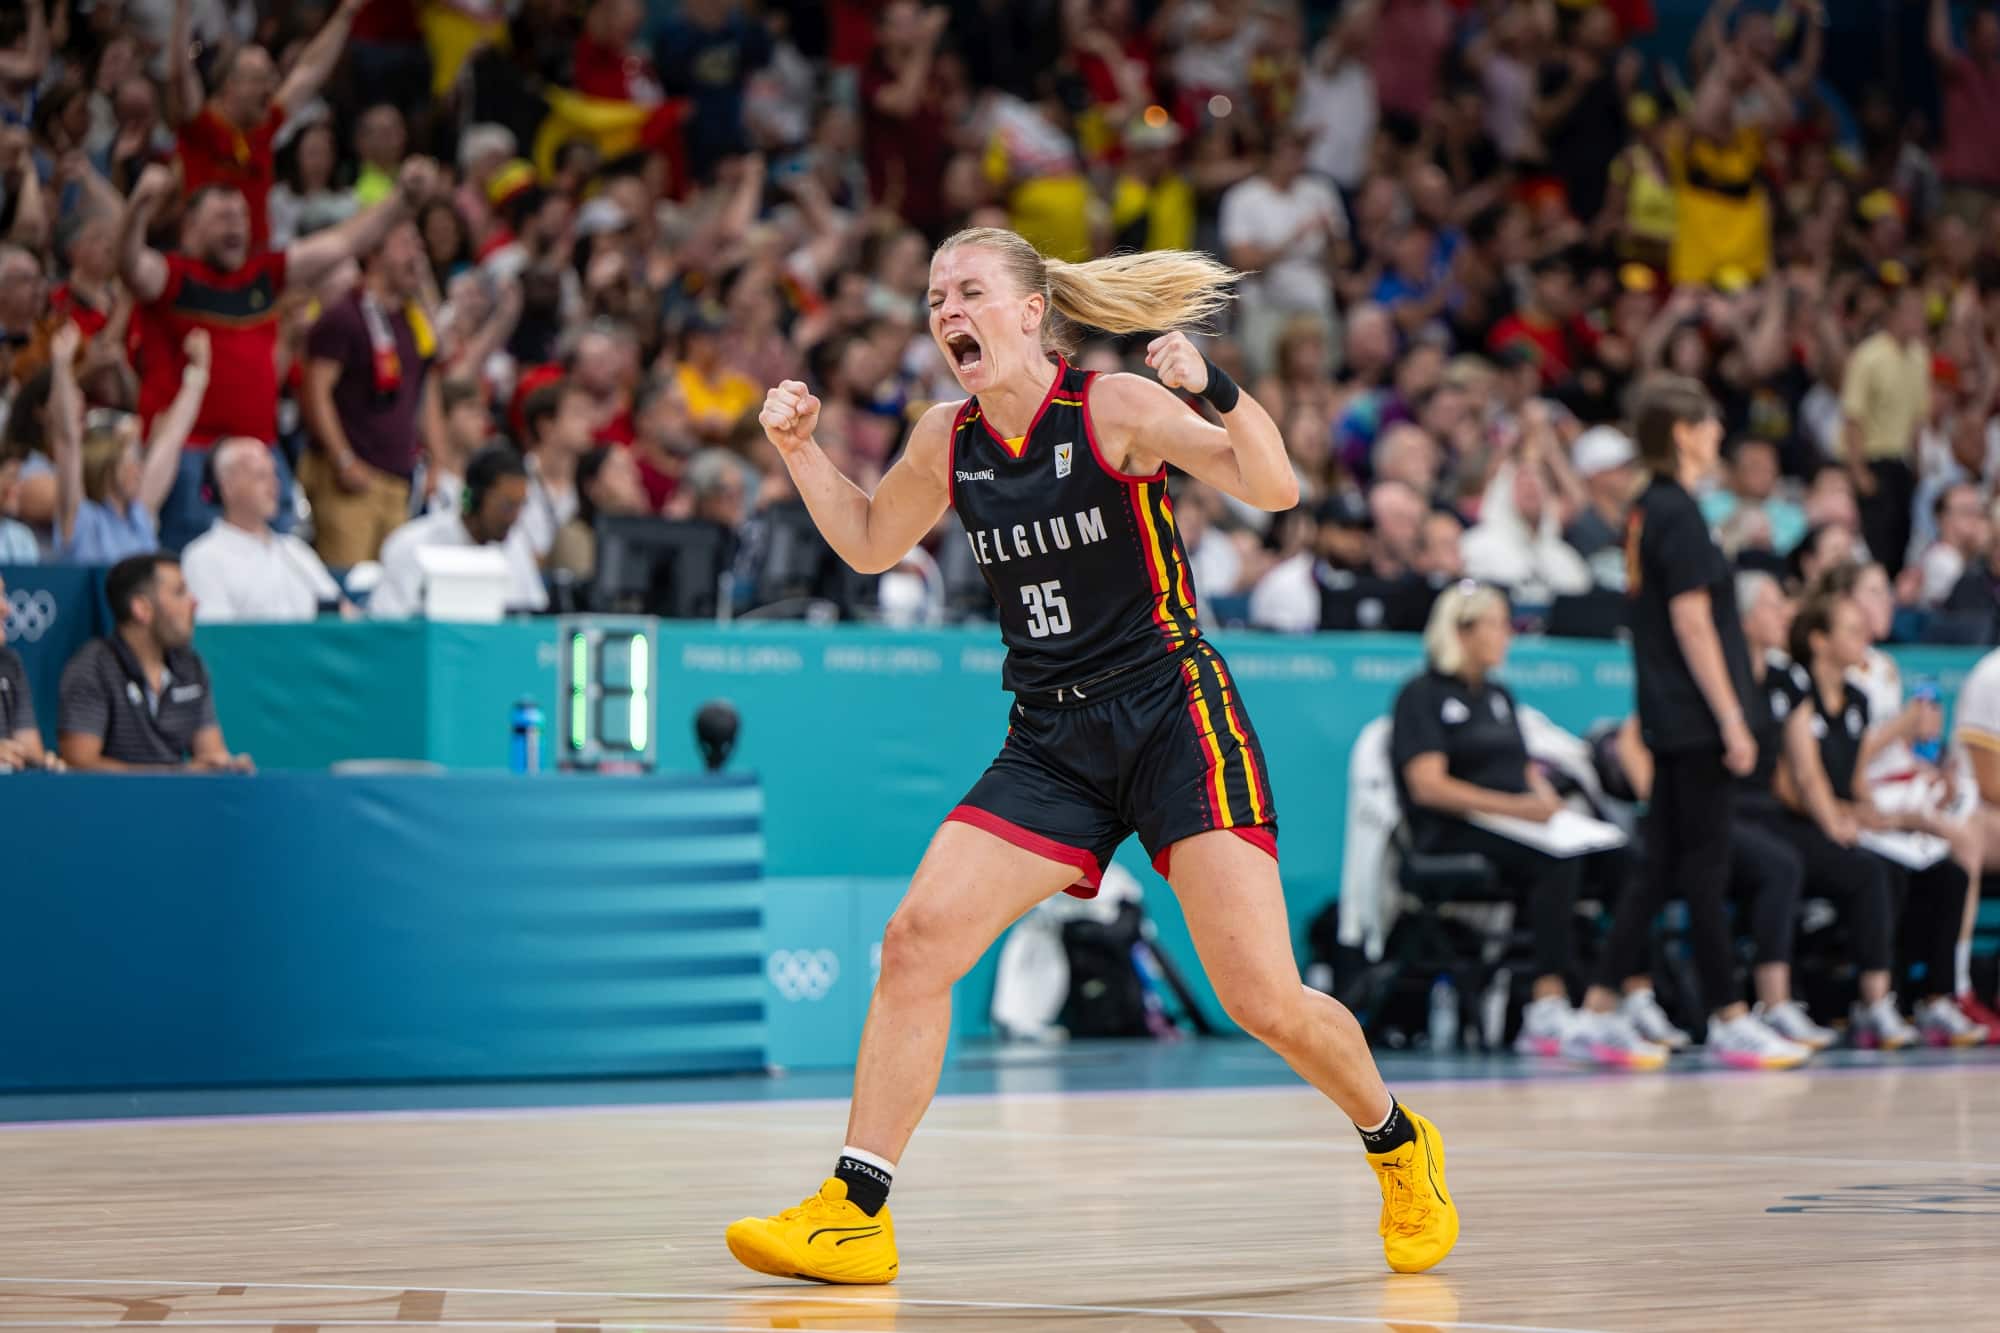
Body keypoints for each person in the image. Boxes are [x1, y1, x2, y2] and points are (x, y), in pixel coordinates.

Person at [726, 228, 1457, 1283]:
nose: (946, 312)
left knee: (1260, 997)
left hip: (1171, 714)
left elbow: (1274, 483)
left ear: (1029, 312)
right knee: (918, 937)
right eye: (935, 297)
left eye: (968, 291)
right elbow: (873, 541)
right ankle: (853, 1208)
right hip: (1052, 738)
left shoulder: (1108, 406)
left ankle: (1395, 1141)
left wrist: (1211, 384)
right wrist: (800, 452)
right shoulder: (949, 436)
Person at [1569, 375, 1812, 1069]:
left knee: (1660, 867)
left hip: (1670, 713)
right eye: (1708, 424)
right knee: (1704, 869)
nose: (1717, 437)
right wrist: (1733, 716)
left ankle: (1595, 1009)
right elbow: (1691, 619)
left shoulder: (1652, 508)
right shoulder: (1674, 509)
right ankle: (1731, 1014)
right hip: (1695, 720)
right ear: (1682, 431)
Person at [1391, 581, 1639, 1065]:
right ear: (1462, 631)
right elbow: (1428, 786)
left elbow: (1524, 768)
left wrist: (1546, 802)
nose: (1508, 635)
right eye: (1499, 624)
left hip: (1517, 824)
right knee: (1555, 861)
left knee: (1623, 860)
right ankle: (1545, 1006)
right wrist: (1514, 810)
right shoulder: (1421, 696)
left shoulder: (1499, 695)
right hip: (1450, 830)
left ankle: (1621, 995)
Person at [1784, 588, 1985, 1046]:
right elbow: (1801, 785)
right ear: (1819, 641)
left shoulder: (1855, 697)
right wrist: (1847, 816)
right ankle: (1872, 1001)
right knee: (1878, 874)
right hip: (1805, 821)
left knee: (1947, 872)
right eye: (1852, 630)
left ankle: (1934, 999)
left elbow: (1854, 780)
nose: (1866, 638)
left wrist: (1885, 816)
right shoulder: (1798, 695)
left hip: (1849, 814)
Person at [298, 220, 442, 568]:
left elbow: (425, 395)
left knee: (393, 596)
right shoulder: (343, 316)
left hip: (400, 483)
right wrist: (343, 459)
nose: (417, 257)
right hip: (350, 484)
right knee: (351, 592)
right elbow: (315, 390)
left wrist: (438, 460)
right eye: (407, 244)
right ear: (374, 254)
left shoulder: (413, 321)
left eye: (420, 247)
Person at [57, 551, 253, 772]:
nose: (194, 602)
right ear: (142, 609)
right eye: (180, 593)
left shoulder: (190, 665)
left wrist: (227, 767)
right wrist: (177, 774)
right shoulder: (92, 666)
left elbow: (211, 755)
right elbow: (79, 766)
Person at [50, 325, 209, 563]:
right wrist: (61, 366)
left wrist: (198, 371)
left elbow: (173, 437)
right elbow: (66, 441)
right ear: (105, 464)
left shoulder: (140, 516)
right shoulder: (81, 520)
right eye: (128, 463)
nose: (138, 469)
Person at [369, 444, 544, 620]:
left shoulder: (517, 545)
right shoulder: (412, 545)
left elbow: (536, 619)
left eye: (521, 505)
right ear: (475, 497)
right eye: (507, 506)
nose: (514, 518)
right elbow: (386, 627)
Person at [180, 439, 345, 623]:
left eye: (274, 474)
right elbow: (215, 640)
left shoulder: (295, 550)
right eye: (260, 475)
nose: (273, 485)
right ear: (227, 486)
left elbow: (342, 614)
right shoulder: (204, 557)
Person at [550, 445, 649, 583]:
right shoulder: (573, 536)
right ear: (592, 487)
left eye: (633, 469)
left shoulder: (641, 534)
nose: (636, 476)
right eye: (622, 470)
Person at [0, 570, 57, 772]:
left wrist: (41, 766)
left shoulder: (8, 663)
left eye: (3, 596)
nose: (5, 609)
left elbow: (30, 753)